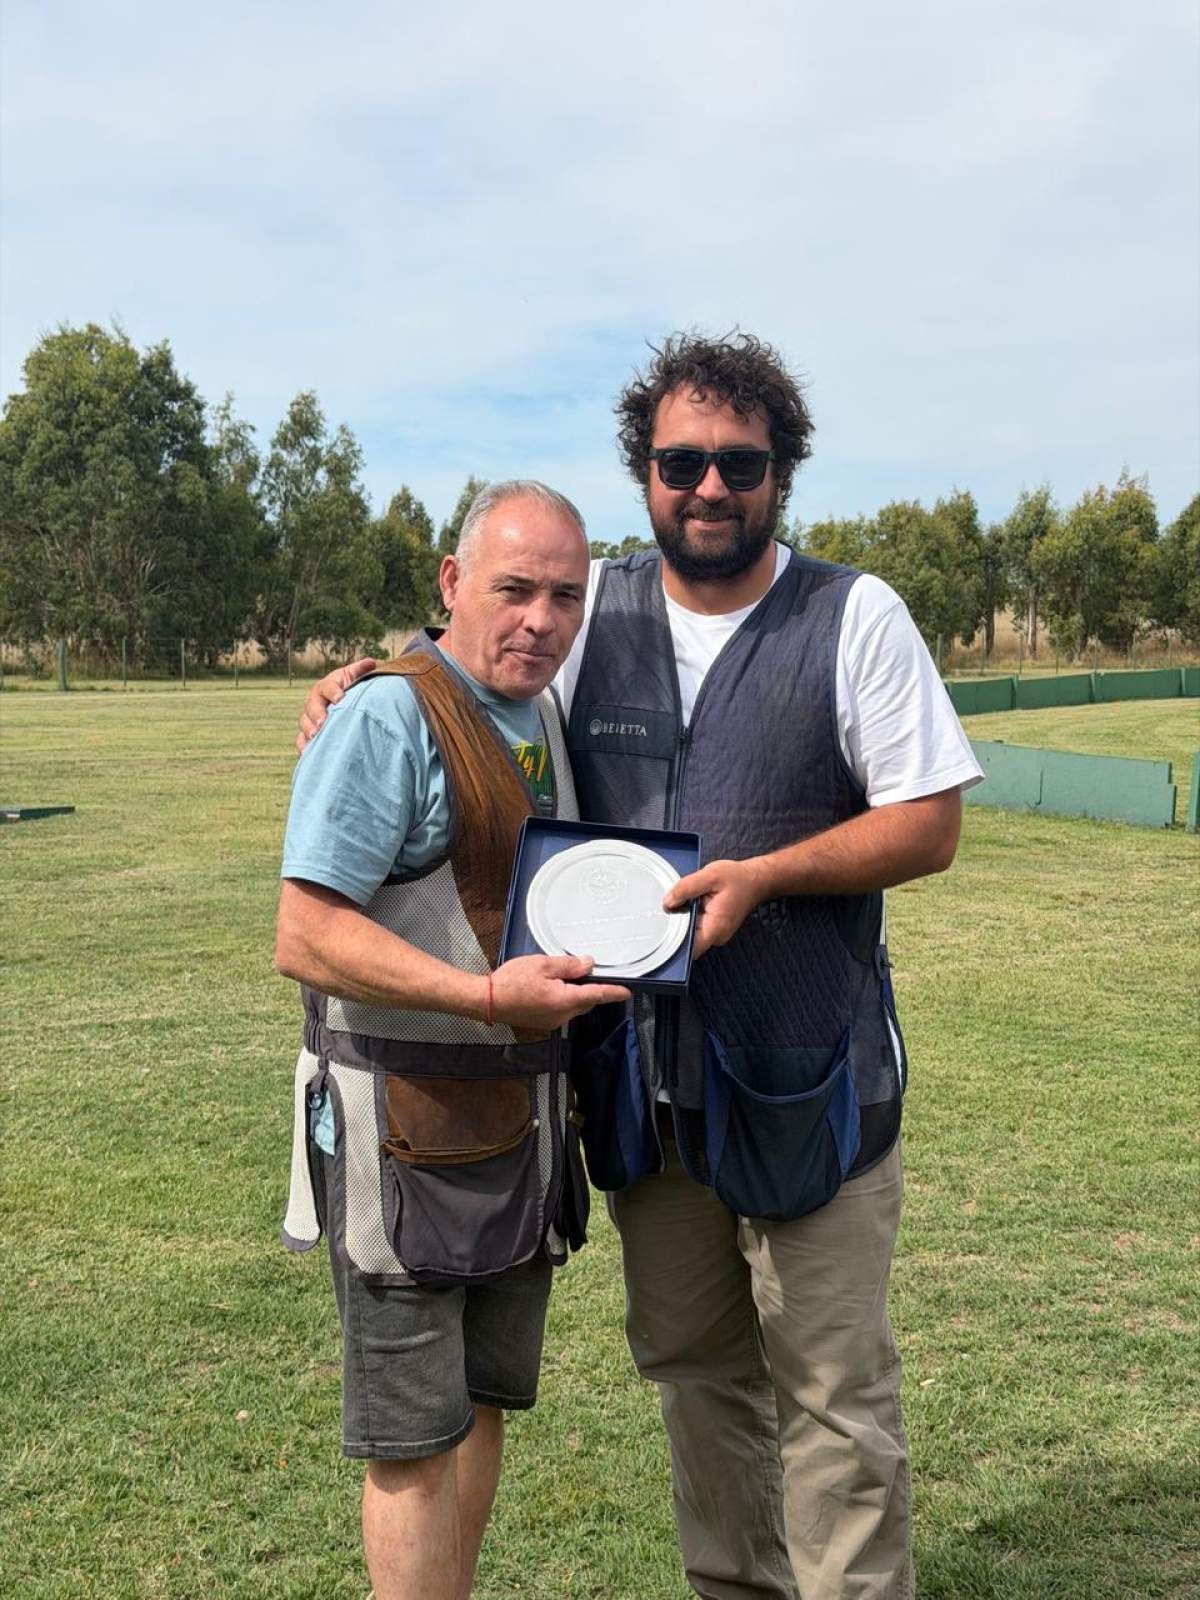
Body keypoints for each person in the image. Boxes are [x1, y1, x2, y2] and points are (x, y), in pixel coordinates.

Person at [300, 334, 984, 1600]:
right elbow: (480, 654)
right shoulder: (589, 611)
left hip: (809, 1080)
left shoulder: (855, 614)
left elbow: (929, 823)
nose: (710, 486)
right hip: (644, 1097)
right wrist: (372, 677)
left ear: (781, 472)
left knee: (834, 1398)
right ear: (646, 471)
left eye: (740, 463)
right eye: (681, 462)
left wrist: (767, 874)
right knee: (695, 1376)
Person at [276, 480, 630, 1600]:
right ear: (452, 581)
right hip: (405, 1149)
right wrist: (483, 998)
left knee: (479, 1411)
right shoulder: (386, 716)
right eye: (515, 589)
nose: (540, 620)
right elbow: (304, 933)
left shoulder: (543, 714)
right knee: (415, 1442)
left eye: (565, 596)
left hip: (515, 1142)